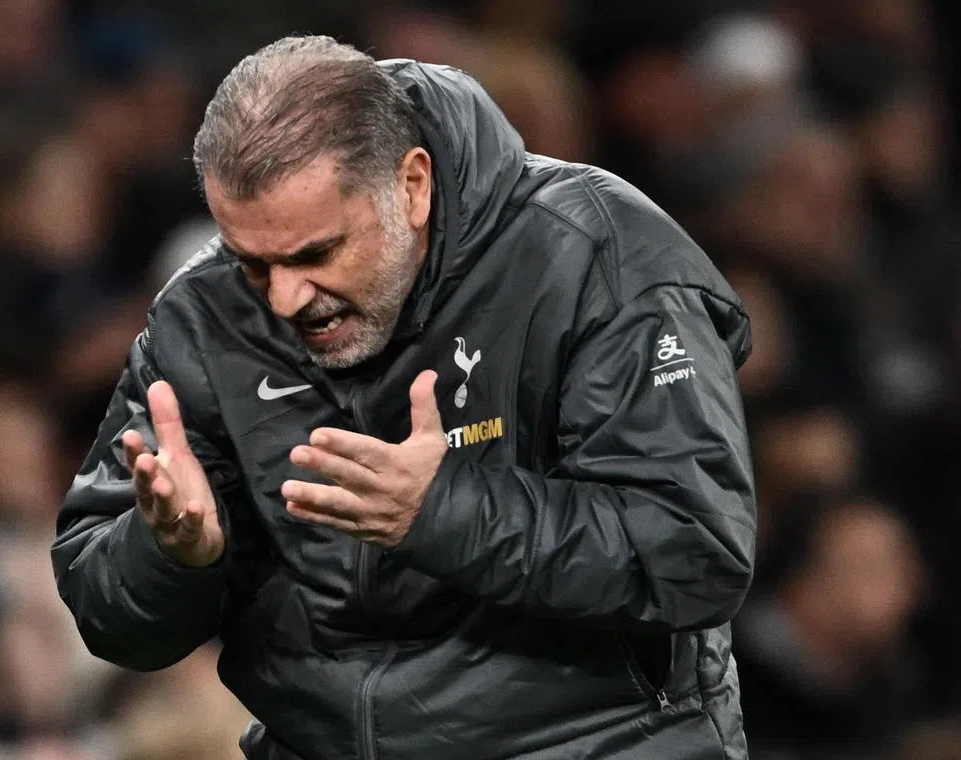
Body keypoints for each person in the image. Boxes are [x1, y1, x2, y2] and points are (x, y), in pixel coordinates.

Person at [52, 35, 757, 760]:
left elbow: (695, 552)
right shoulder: (204, 316)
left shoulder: (597, 256)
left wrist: (444, 512)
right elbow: (109, 618)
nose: (285, 297)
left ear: (412, 185)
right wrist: (173, 554)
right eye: (252, 263)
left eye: (316, 253)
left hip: (596, 742)